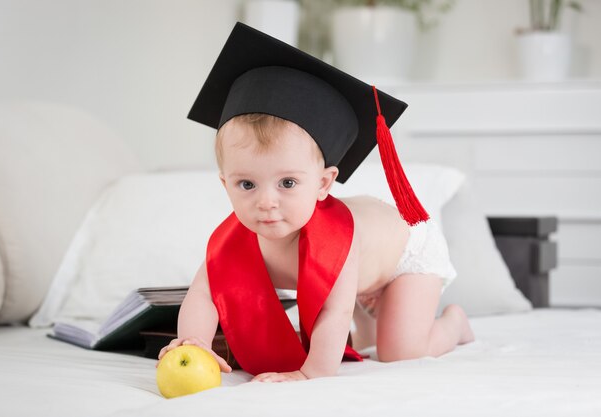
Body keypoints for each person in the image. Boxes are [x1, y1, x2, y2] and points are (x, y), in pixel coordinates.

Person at [157, 23, 474, 383]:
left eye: (288, 183)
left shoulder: (336, 239)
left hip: (404, 252)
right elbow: (203, 294)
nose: (266, 202)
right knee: (369, 337)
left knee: (398, 351)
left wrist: (308, 375)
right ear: (225, 183)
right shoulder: (232, 241)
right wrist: (194, 340)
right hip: (365, 269)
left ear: (324, 184)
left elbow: (334, 315)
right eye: (247, 183)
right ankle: (375, 313)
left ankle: (454, 324)